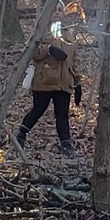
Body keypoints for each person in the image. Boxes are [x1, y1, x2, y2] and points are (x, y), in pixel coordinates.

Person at [18, 19, 82, 154]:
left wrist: (77, 83)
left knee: (62, 114)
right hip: (44, 80)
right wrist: (48, 49)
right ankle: (21, 134)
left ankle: (66, 143)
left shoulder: (68, 34)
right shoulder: (42, 31)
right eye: (56, 9)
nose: (58, 12)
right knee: (38, 110)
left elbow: (73, 60)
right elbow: (32, 52)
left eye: (61, 9)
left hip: (64, 82)